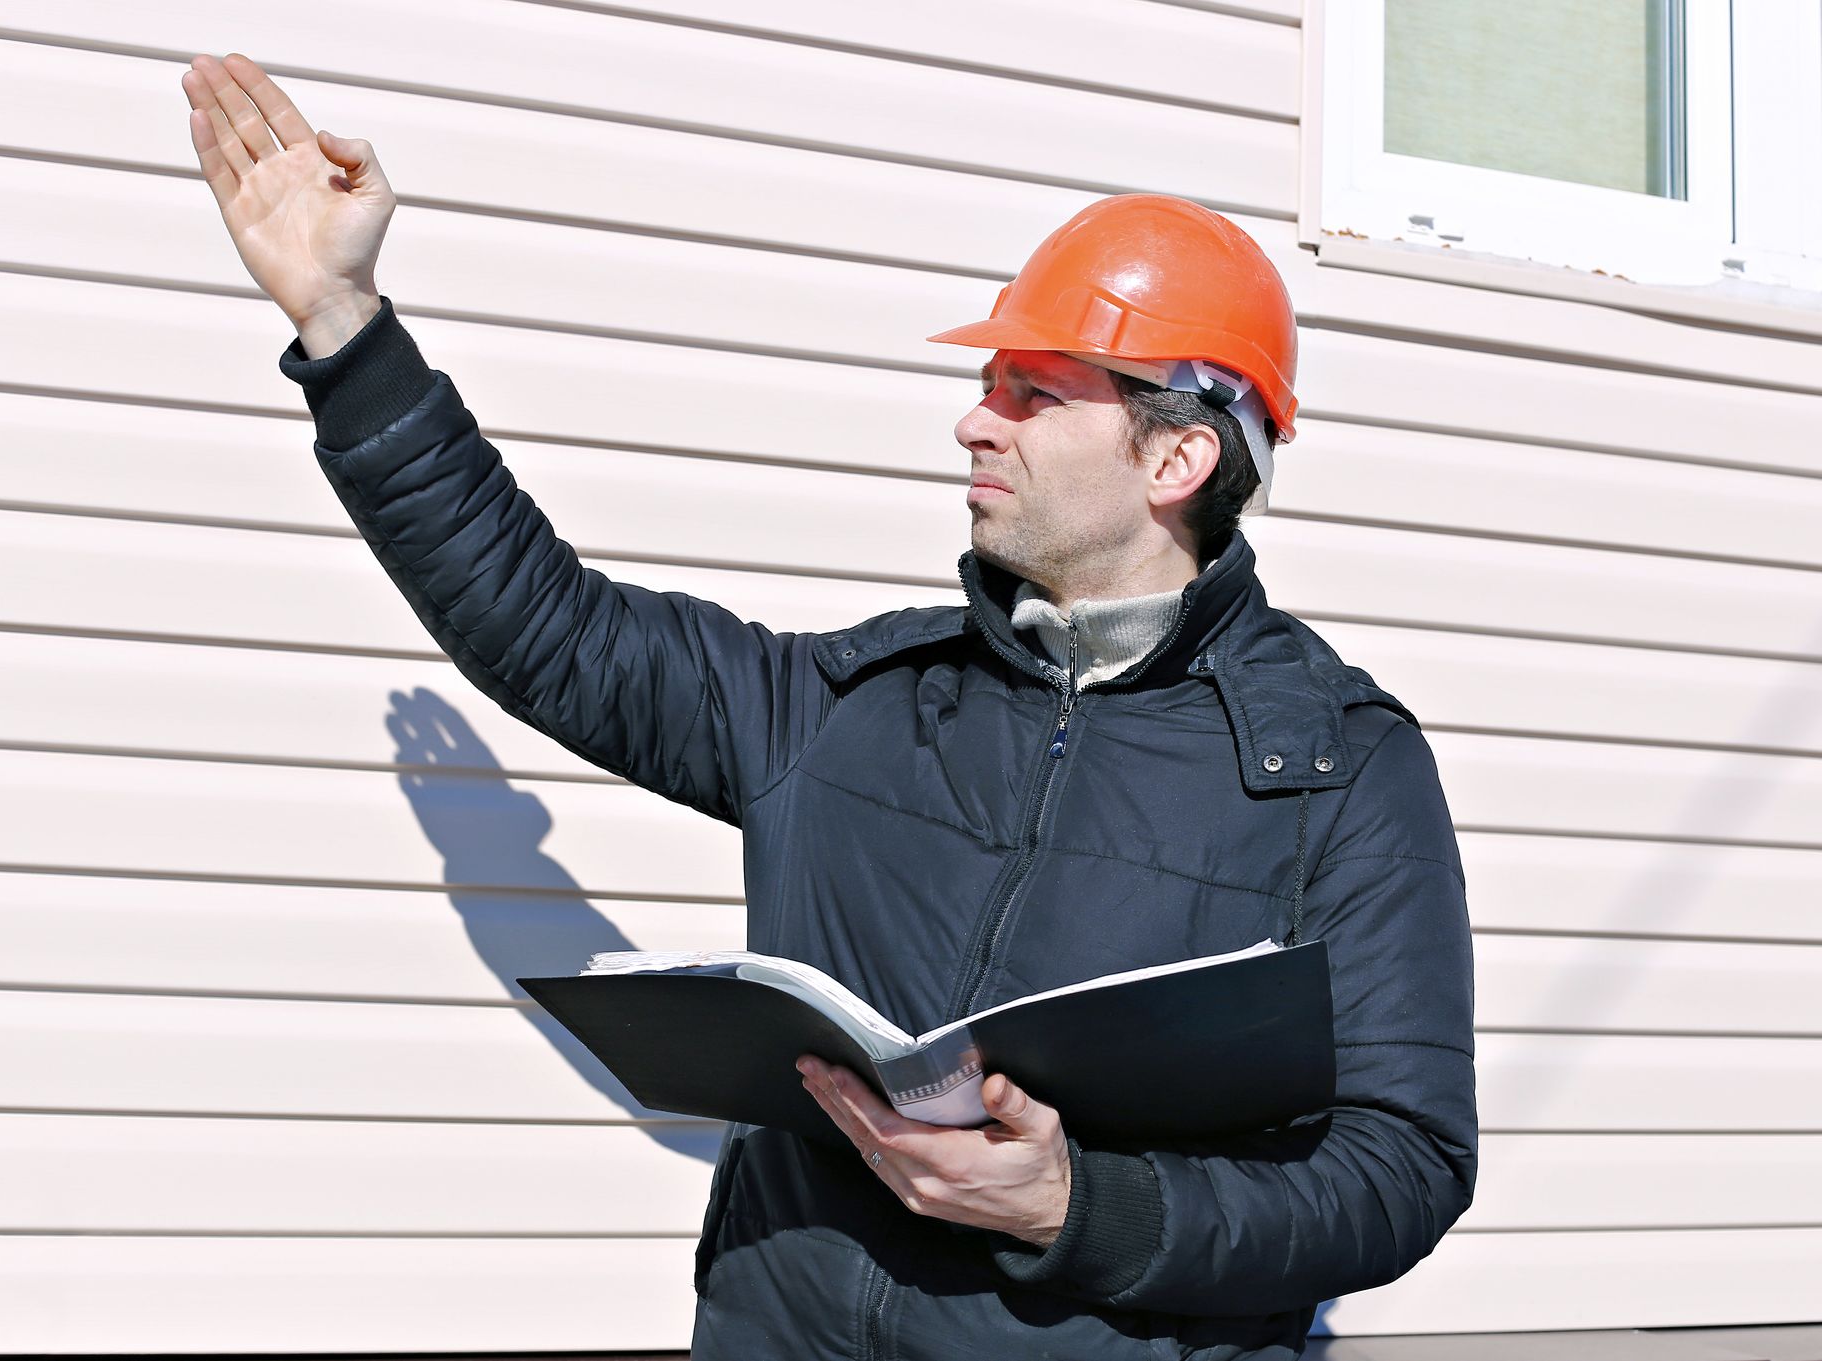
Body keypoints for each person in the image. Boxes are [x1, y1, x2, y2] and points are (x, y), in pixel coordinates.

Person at [185, 50, 1477, 1361]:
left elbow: (1401, 1163)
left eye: (1032, 390)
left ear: (1180, 454)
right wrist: (345, 326)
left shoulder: (1337, 768)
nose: (977, 422)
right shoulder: (853, 701)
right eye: (988, 384)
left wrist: (1085, 1205)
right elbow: (548, 626)